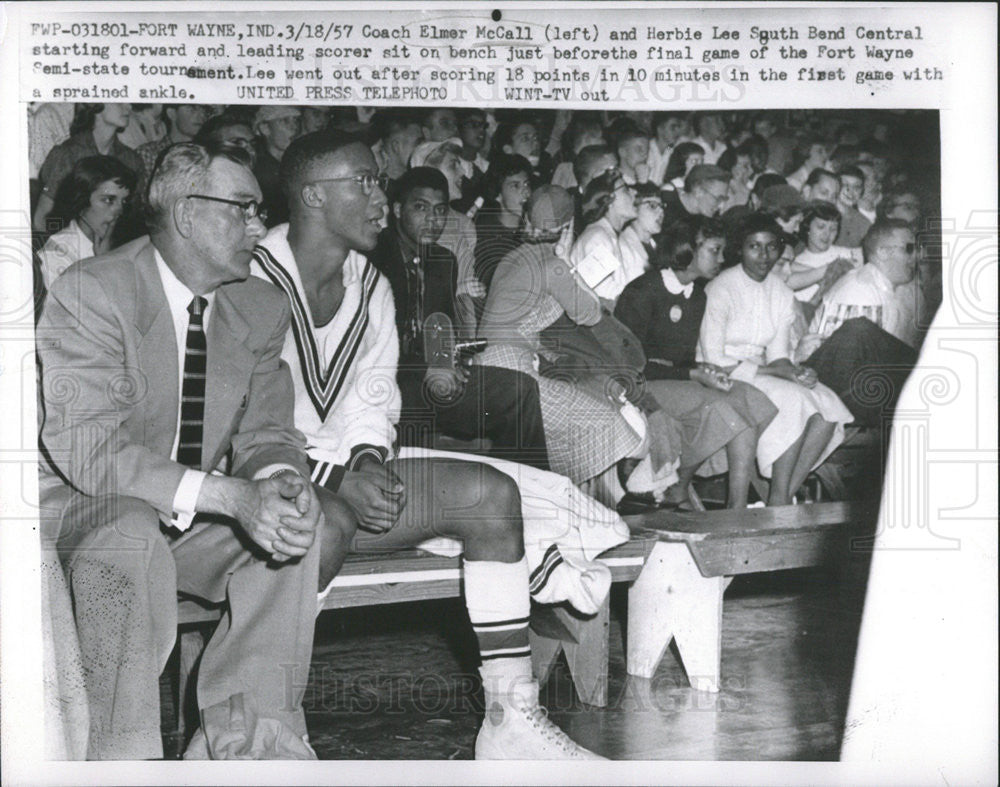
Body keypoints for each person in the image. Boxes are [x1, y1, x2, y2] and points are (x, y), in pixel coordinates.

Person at [252, 133, 610, 759]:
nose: (379, 198)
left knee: (493, 495)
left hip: (341, 471)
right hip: (264, 483)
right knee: (322, 521)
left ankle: (510, 725)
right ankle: (263, 721)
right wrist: (340, 479)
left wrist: (365, 461)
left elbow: (372, 402)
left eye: (376, 181)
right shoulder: (251, 276)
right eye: (361, 182)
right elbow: (243, 428)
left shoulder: (370, 282)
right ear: (311, 195)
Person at [36, 143, 328, 760]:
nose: (259, 227)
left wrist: (277, 482)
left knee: (296, 521)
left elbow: (269, 433)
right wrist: (228, 495)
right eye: (245, 209)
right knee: (132, 531)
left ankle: (254, 743)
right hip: (81, 511)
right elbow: (88, 447)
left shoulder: (259, 305)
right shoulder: (94, 289)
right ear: (187, 214)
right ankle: (124, 758)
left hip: (183, 518)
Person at [369, 166, 551, 470]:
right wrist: (429, 367)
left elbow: (440, 324)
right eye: (420, 208)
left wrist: (447, 363)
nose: (433, 220)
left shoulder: (443, 260)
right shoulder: (375, 256)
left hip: (431, 376)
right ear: (398, 210)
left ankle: (527, 492)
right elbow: (372, 343)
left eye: (440, 211)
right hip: (386, 379)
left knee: (520, 389)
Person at [476, 185, 651, 489]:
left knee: (603, 413)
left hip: (492, 367)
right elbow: (590, 314)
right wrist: (568, 259)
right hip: (514, 374)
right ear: (568, 227)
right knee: (615, 427)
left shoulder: (513, 256)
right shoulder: (553, 265)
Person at [615, 219, 778, 508]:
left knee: (753, 399)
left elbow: (683, 358)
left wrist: (704, 371)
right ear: (688, 250)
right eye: (715, 251)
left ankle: (735, 507)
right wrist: (692, 373)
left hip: (672, 379)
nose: (722, 259)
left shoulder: (697, 295)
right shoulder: (643, 291)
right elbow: (628, 365)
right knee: (723, 410)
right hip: (638, 384)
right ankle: (680, 481)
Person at [698, 212, 853, 505]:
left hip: (762, 369)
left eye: (771, 247)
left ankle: (782, 496)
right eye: (754, 246)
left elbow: (779, 355)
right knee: (792, 399)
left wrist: (797, 372)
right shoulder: (721, 287)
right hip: (722, 371)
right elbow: (713, 357)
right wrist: (777, 374)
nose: (763, 255)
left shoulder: (780, 291)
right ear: (739, 249)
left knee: (827, 402)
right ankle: (780, 497)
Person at [796, 219, 921, 426]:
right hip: (840, 392)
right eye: (909, 249)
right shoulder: (860, 288)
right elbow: (843, 366)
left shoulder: (905, 290)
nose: (916, 256)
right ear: (882, 252)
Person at [34, 103, 144, 232]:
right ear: (96, 103)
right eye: (120, 101)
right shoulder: (67, 154)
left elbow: (135, 217)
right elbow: (40, 220)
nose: (129, 107)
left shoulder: (132, 160)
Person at [37, 155, 138, 290]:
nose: (119, 210)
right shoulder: (55, 256)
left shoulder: (127, 245)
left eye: (124, 201)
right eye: (108, 200)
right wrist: (104, 265)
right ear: (81, 201)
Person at [570, 170, 638, 303]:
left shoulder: (607, 235)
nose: (634, 193)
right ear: (609, 200)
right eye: (626, 190)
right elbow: (600, 293)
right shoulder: (598, 238)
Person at [473, 153, 532, 291]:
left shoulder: (534, 225)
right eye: (515, 186)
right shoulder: (485, 234)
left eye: (527, 184)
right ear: (498, 194)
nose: (525, 192)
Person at [789, 201, 863, 302]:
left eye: (833, 229)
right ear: (807, 228)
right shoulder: (797, 262)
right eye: (820, 227)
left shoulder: (848, 254)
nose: (827, 234)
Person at [253, 105, 302, 227]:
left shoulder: (299, 162)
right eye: (285, 120)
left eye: (296, 120)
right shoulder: (258, 170)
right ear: (265, 128)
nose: (294, 128)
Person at [136, 104, 211, 179]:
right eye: (191, 108)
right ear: (172, 113)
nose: (201, 115)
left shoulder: (207, 155)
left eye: (204, 110)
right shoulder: (149, 154)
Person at [617, 182, 665, 284]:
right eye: (652, 206)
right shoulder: (622, 246)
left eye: (662, 206)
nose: (661, 212)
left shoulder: (657, 246)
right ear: (635, 208)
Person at [661, 164, 731, 227]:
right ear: (698, 191)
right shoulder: (664, 209)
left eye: (724, 199)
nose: (721, 206)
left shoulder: (707, 218)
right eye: (718, 199)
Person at [646, 111, 690, 187]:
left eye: (678, 127)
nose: (677, 132)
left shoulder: (670, 149)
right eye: (673, 127)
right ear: (660, 129)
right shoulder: (646, 149)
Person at [835, 165, 872, 248]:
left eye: (856, 187)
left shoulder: (864, 223)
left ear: (862, 191)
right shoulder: (823, 213)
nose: (851, 191)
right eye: (845, 185)